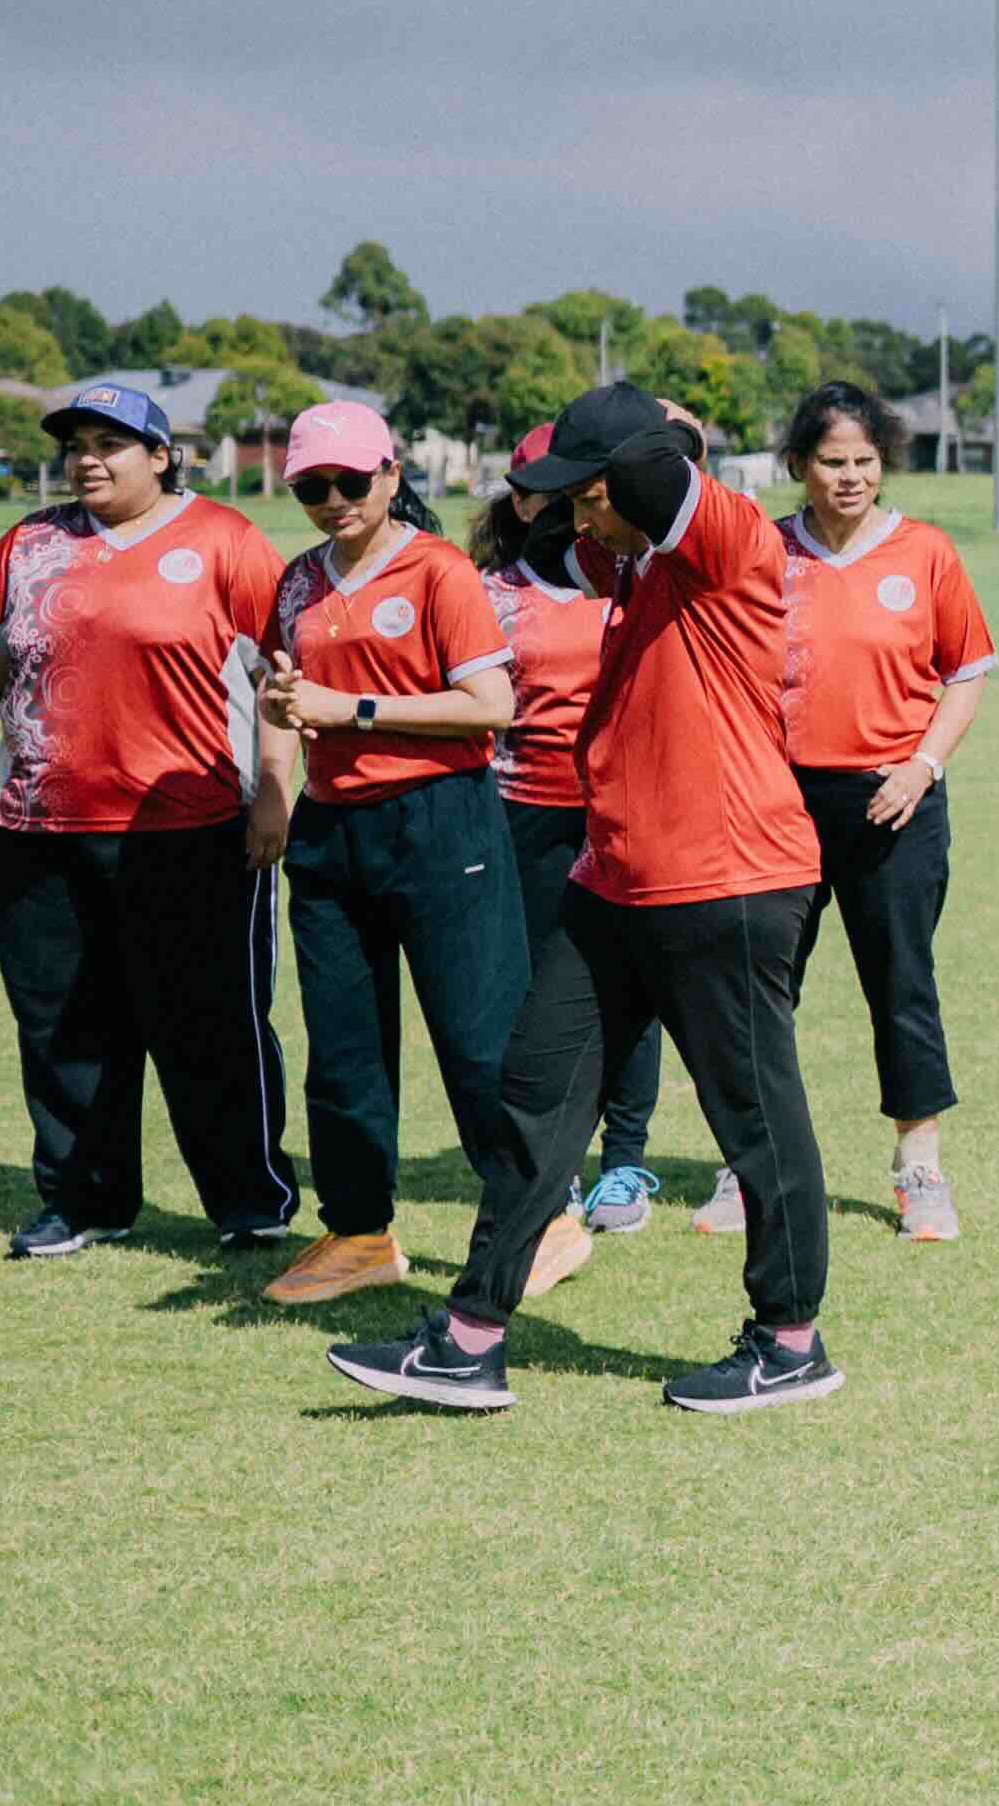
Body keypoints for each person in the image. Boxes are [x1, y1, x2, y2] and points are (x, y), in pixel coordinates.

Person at [322, 383, 842, 1413]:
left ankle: (790, 1340)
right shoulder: (636, 563)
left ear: (633, 478)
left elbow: (660, 474)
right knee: (535, 1103)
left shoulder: (725, 537)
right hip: (614, 878)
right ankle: (469, 1338)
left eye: (584, 493)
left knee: (757, 1118)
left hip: (727, 877)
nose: (571, 515)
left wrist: (635, 424)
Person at [0, 378, 301, 1259]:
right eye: (76, 444)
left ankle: (248, 1199)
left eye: (109, 444)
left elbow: (281, 682)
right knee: (61, 1024)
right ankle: (84, 1200)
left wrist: (274, 793)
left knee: (207, 1021)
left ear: (161, 456)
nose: (86, 460)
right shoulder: (28, 544)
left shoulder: (224, 541)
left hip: (192, 828)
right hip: (37, 828)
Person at [251, 402, 543, 1311]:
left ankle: (538, 1219)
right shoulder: (297, 582)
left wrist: (356, 711)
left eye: (349, 481)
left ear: (389, 475)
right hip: (332, 828)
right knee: (341, 1051)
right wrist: (279, 749)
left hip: (441, 821)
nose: (332, 500)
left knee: (476, 1042)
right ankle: (360, 1229)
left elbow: (492, 704)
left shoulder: (438, 570)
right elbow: (281, 698)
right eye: (311, 486)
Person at [756, 382, 998, 1246]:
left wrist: (922, 766)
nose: (850, 477)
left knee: (900, 984)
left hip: (896, 803)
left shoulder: (925, 553)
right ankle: (752, 1164)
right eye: (831, 462)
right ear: (799, 466)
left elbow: (965, 674)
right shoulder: (764, 551)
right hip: (780, 801)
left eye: (864, 461)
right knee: (762, 985)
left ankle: (919, 1167)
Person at [473, 439, 667, 1233]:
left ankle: (624, 1163)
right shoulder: (489, 594)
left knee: (635, 987)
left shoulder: (646, 580)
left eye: (584, 493)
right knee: (537, 993)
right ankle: (551, 1167)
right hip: (528, 815)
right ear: (522, 502)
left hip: (632, 814)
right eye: (546, 493)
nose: (568, 510)